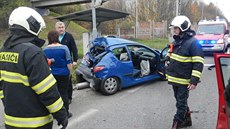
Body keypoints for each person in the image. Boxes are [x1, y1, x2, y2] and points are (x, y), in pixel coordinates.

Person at [0, 7, 68, 129]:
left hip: (11, 122)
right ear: (30, 25)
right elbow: (47, 90)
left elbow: (2, 87)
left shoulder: (3, 51)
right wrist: (61, 114)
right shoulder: (32, 52)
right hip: (37, 123)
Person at [166, 15, 204, 129]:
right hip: (174, 78)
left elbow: (198, 63)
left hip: (184, 80)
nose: (174, 30)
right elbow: (170, 53)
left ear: (183, 28)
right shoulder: (176, 41)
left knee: (180, 104)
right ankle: (187, 120)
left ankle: (176, 124)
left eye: (176, 28)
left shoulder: (194, 43)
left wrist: (194, 81)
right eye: (174, 28)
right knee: (179, 100)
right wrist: (167, 59)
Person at [44, 30, 73, 119]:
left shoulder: (45, 49)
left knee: (54, 94)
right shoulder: (64, 48)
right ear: (57, 37)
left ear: (49, 38)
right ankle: (66, 113)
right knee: (63, 93)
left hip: (51, 74)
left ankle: (55, 113)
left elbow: (44, 63)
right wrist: (70, 73)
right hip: (64, 74)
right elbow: (69, 63)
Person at [55, 21, 78, 104]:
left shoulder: (69, 36)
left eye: (62, 27)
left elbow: (74, 48)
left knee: (68, 80)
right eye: (59, 27)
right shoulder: (54, 37)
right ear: (56, 28)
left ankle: (69, 97)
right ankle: (60, 97)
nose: (61, 29)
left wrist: (75, 60)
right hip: (57, 63)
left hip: (67, 62)